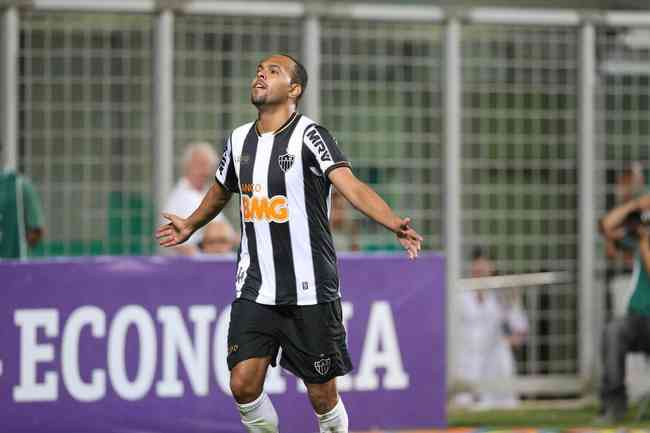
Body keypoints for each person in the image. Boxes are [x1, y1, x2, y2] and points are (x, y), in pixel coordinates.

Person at [156, 54, 422, 433]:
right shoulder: (238, 139)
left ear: (294, 89)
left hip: (310, 289)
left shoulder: (311, 136)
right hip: (256, 287)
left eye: (274, 71)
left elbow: (352, 186)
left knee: (322, 397)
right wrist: (191, 223)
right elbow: (220, 191)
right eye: (259, 70)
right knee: (243, 384)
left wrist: (393, 222)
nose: (261, 74)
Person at [454, 247, 528, 409]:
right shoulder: (459, 294)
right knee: (463, 402)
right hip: (464, 357)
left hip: (492, 358)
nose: (480, 270)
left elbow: (520, 328)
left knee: (502, 354)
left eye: (484, 266)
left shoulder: (500, 294)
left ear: (492, 268)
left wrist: (505, 342)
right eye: (477, 266)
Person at [598, 193, 650, 423]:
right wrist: (637, 205)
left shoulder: (644, 243)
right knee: (613, 332)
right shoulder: (642, 238)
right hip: (638, 318)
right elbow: (606, 226)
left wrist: (643, 242)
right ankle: (614, 405)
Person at [162, 142, 229, 255]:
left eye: (209, 166)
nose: (205, 171)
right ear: (187, 165)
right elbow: (169, 238)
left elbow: (226, 233)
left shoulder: (209, 194)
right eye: (201, 165)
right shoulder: (177, 199)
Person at [0, 169, 44, 259]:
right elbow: (37, 229)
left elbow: (36, 230)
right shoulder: (21, 185)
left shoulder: (19, 185)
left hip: (15, 259)